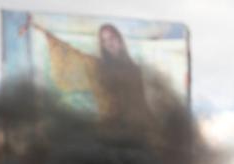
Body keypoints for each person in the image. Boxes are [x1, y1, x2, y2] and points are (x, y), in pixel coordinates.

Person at [21, 16, 151, 126]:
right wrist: (42, 30)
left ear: (120, 40)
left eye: (111, 38)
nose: (109, 44)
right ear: (102, 45)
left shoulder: (135, 70)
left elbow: (142, 103)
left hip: (136, 129)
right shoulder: (98, 66)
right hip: (110, 129)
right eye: (104, 41)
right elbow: (71, 53)